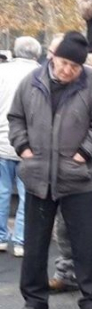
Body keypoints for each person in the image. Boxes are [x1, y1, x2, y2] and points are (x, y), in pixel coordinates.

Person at [8, 31, 92, 309]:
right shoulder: (31, 81)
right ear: (53, 57)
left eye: (75, 66)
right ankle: (34, 301)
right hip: (38, 176)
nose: (68, 70)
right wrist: (23, 147)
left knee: (87, 244)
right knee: (34, 245)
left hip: (78, 178)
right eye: (64, 62)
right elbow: (15, 117)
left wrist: (86, 151)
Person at [0, 37, 42, 257]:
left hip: (1, 142)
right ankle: (21, 240)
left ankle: (0, 237)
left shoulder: (2, 72)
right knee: (27, 195)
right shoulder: (40, 75)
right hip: (29, 144)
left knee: (1, 191)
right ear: (36, 54)